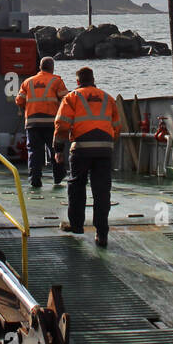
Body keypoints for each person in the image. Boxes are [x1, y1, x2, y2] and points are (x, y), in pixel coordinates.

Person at [53, 66, 121, 247]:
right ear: (93, 79)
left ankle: (76, 226)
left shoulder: (72, 97)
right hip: (104, 149)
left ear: (77, 82)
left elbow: (62, 125)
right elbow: (117, 126)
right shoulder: (108, 98)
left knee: (76, 186)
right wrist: (107, 143)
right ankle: (102, 233)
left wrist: (58, 149)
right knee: (102, 191)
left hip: (81, 148)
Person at [16, 57, 68, 190]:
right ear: (52, 67)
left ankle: (35, 180)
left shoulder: (27, 82)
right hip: (51, 122)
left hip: (32, 123)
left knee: (34, 152)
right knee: (55, 149)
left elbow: (19, 101)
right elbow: (66, 100)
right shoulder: (57, 81)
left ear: (40, 67)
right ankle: (58, 177)